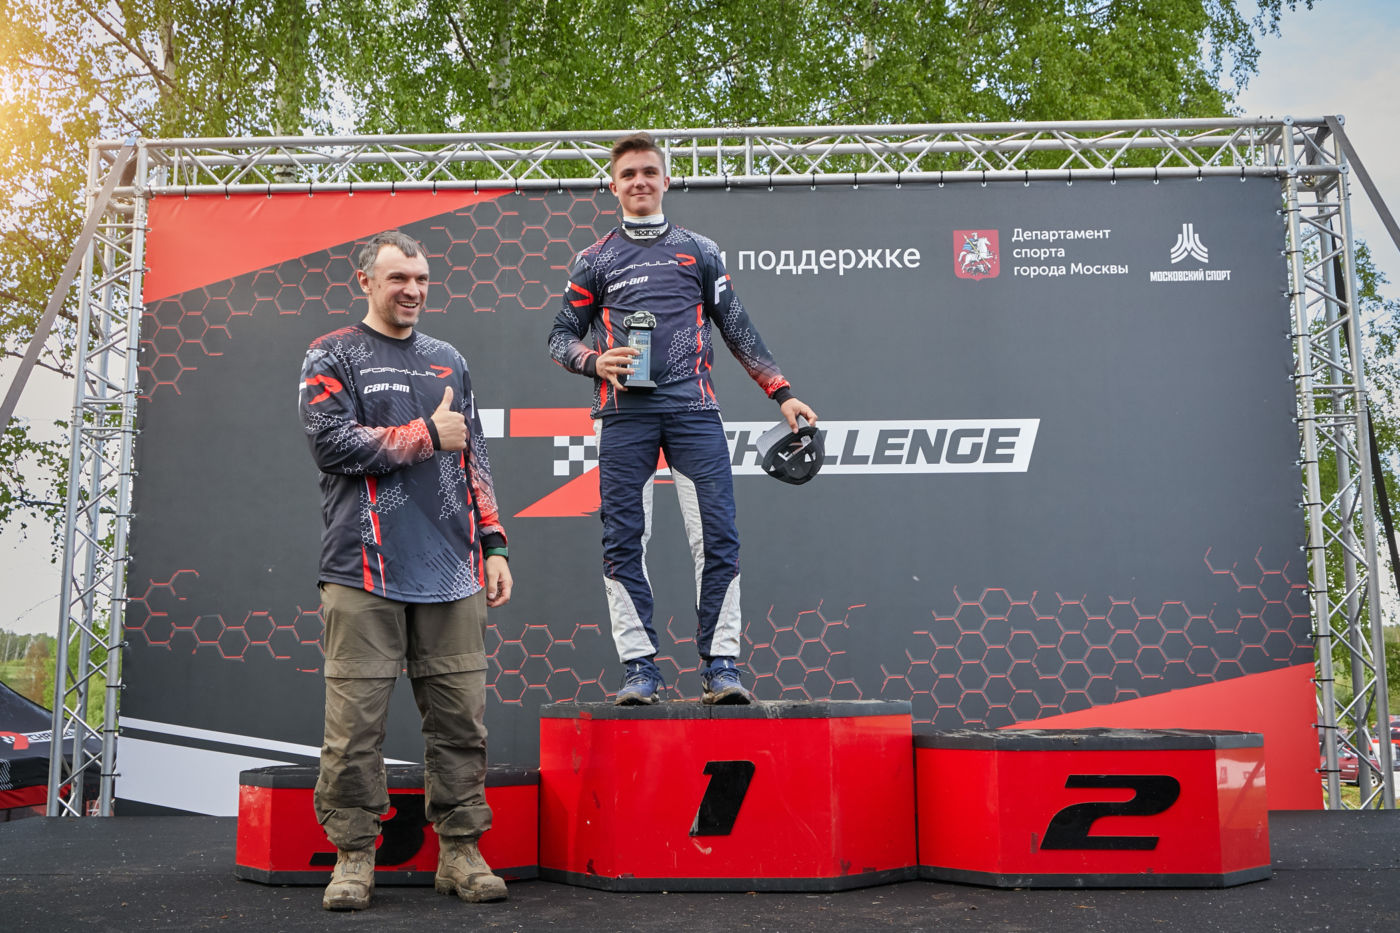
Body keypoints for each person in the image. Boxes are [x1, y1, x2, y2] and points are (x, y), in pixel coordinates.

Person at [547, 132, 818, 707]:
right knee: (623, 540)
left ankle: (721, 667)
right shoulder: (594, 260)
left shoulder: (700, 250)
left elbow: (737, 327)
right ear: (613, 186)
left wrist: (782, 392)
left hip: (694, 412)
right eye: (628, 174)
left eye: (649, 171)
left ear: (666, 180)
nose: (639, 181)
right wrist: (595, 362)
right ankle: (640, 669)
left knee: (717, 538)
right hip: (622, 417)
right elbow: (559, 337)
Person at [298, 230, 513, 911]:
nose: (412, 290)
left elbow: (474, 455)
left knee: (460, 725)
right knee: (353, 730)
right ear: (365, 281)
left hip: (453, 571)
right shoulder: (332, 352)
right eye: (398, 278)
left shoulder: (449, 359)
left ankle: (461, 851)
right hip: (362, 570)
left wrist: (494, 542)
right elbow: (331, 443)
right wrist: (425, 435)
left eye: (420, 279)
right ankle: (354, 856)